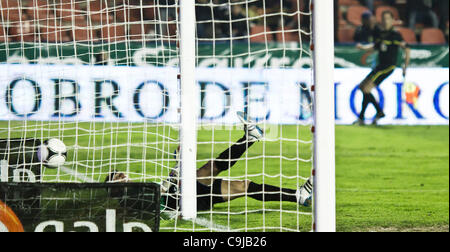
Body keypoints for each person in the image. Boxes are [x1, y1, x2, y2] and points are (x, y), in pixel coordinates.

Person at [107, 112, 313, 213]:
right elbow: (162, 194)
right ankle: (251, 138)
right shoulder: (129, 200)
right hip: (184, 201)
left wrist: (178, 168)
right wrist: (178, 166)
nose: (123, 174)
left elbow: (164, 189)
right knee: (210, 168)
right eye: (117, 176)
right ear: (114, 187)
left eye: (119, 173)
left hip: (184, 193)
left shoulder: (134, 191)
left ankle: (298, 196)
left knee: (245, 185)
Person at [354, 10, 411, 126]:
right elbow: (375, 46)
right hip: (380, 66)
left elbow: (407, 48)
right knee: (362, 87)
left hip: (388, 66)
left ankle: (365, 117)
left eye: (388, 19)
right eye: (384, 19)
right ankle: (375, 114)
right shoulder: (380, 34)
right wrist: (363, 48)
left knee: (366, 89)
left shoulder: (395, 35)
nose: (385, 21)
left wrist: (405, 66)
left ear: (392, 20)